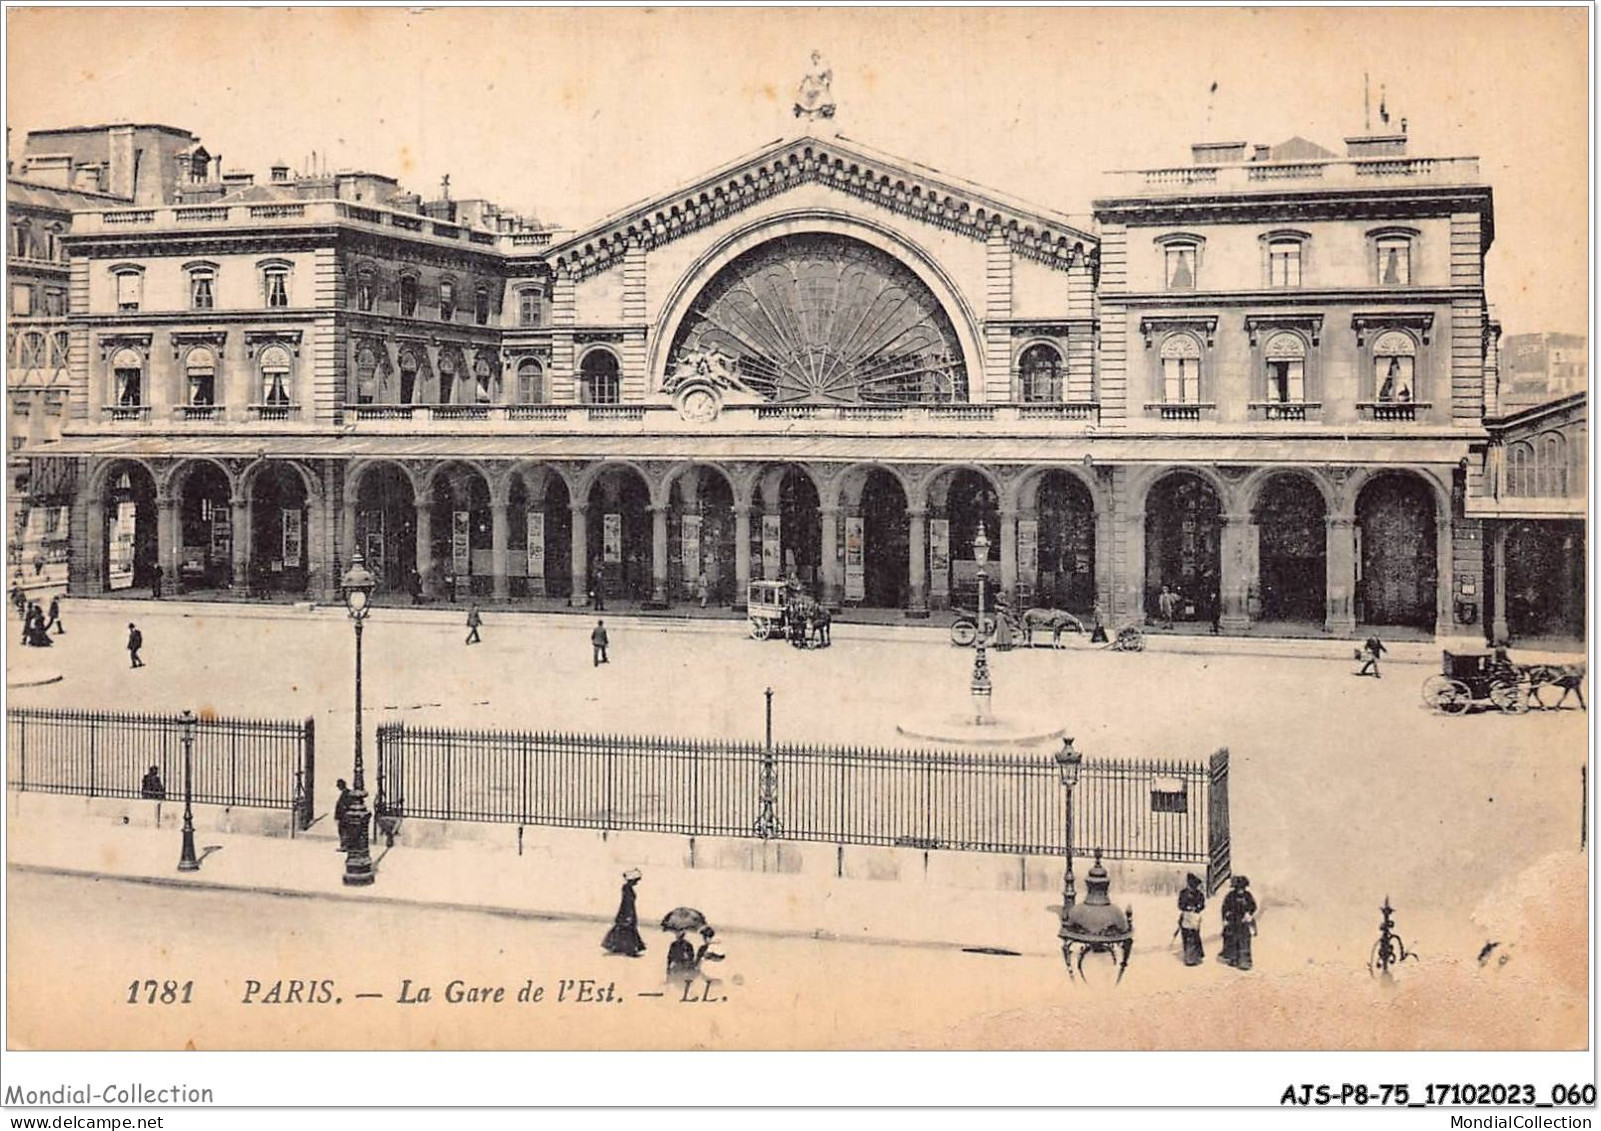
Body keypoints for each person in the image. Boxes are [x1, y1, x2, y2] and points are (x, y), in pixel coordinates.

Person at [601, 869, 646, 956]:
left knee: (624, 930)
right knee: (626, 930)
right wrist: (629, 916)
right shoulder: (627, 889)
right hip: (627, 912)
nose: (637, 882)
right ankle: (628, 949)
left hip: (627, 912)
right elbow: (626, 903)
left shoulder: (627, 888)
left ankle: (619, 947)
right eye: (636, 880)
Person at [1219, 876, 1257, 970]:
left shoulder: (1248, 895)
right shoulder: (1230, 895)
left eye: (1242, 888)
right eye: (1238, 888)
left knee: (1244, 941)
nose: (1240, 890)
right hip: (1233, 921)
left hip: (1244, 921)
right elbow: (1225, 908)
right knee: (1232, 940)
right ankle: (1233, 959)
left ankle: (1244, 962)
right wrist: (1225, 918)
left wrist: (1249, 913)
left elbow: (1253, 906)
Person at [1177, 873, 1206, 967]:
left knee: (1194, 936)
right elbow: (1180, 905)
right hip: (1185, 916)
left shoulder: (1199, 894)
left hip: (1195, 918)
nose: (1192, 887)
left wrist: (1196, 908)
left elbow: (1202, 905)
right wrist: (1187, 907)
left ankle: (1195, 957)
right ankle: (1189, 957)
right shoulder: (1183, 893)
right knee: (1186, 936)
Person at [334, 779, 356, 850]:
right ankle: (346, 845)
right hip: (343, 816)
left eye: (339, 786)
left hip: (344, 816)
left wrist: (338, 816)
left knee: (343, 831)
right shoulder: (347, 792)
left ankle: (345, 846)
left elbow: (343, 805)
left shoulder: (346, 793)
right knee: (344, 831)